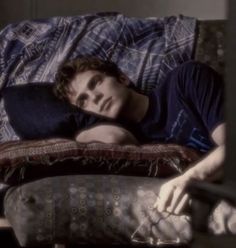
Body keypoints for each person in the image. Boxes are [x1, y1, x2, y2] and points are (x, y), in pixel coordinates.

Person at [54, 57, 225, 215]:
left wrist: (192, 177)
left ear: (122, 78)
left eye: (96, 83)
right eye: (83, 101)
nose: (95, 97)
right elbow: (109, 139)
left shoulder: (184, 80)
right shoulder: (131, 148)